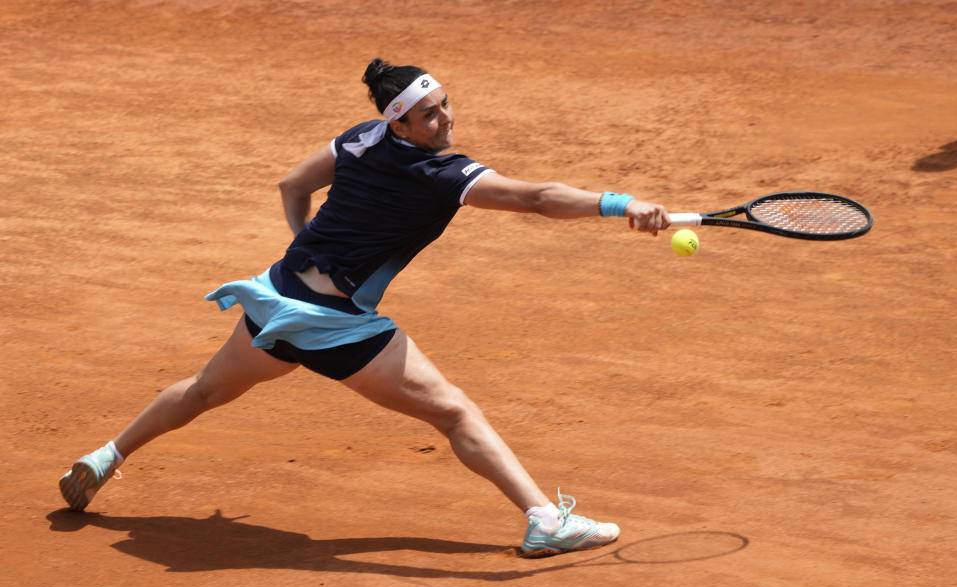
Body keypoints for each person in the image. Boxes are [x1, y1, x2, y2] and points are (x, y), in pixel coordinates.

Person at [59, 58, 671, 557]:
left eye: (445, 104)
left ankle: (104, 457)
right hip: (337, 328)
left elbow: (292, 187)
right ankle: (544, 521)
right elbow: (537, 198)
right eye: (429, 114)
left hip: (274, 299)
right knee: (456, 415)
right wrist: (620, 204)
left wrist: (303, 248)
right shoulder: (440, 172)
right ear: (402, 125)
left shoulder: (359, 138)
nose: (445, 120)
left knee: (204, 392)